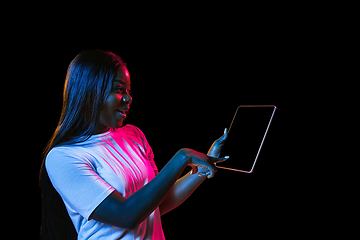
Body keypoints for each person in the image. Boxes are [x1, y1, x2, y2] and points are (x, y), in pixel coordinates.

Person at [39, 50, 229, 240]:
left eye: (128, 91)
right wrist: (183, 157)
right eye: (119, 89)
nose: (128, 98)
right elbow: (125, 216)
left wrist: (204, 167)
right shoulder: (63, 158)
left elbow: (154, 205)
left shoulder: (134, 135)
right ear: (91, 91)